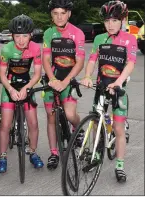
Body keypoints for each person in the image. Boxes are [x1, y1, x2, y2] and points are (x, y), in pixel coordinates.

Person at [80, 0, 136, 183]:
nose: (110, 25)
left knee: (118, 129)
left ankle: (119, 165)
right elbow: (92, 60)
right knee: (97, 122)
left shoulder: (129, 39)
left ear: (122, 20)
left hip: (118, 89)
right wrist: (87, 75)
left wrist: (119, 82)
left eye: (114, 20)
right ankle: (96, 152)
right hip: (101, 87)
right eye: (106, 21)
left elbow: (130, 63)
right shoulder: (99, 39)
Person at [0, 15, 44, 173]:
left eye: (25, 36)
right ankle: (2, 156)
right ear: (12, 36)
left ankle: (33, 152)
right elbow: (2, 74)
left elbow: (37, 74)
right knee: (5, 124)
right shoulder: (7, 49)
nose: (21, 40)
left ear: (31, 35)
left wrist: (27, 88)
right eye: (17, 36)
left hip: (26, 85)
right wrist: (10, 89)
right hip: (9, 86)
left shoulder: (36, 48)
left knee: (34, 123)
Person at [43, 0, 85, 170]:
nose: (59, 17)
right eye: (55, 13)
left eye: (62, 13)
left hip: (68, 79)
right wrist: (52, 79)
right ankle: (54, 153)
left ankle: (77, 127)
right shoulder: (48, 33)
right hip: (52, 79)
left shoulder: (78, 33)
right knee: (51, 118)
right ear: (51, 15)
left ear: (69, 14)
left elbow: (80, 61)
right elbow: (46, 58)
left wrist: (66, 81)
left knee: (69, 114)